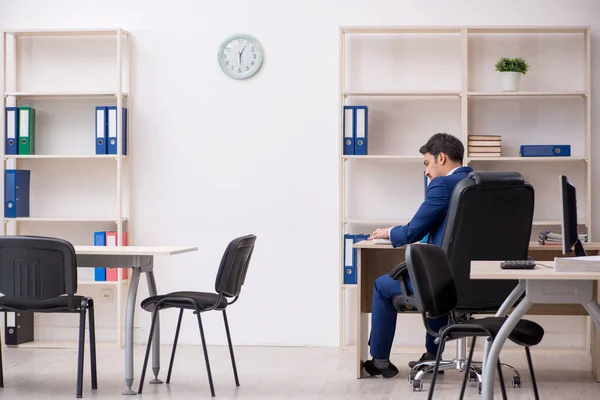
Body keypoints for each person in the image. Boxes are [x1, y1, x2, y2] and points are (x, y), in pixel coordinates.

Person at [363, 132, 472, 378]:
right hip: (479, 282)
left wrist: (388, 232)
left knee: (384, 285)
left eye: (427, 163)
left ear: (441, 158)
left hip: (445, 285)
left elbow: (414, 230)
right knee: (442, 273)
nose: (426, 172)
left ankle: (380, 361)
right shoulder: (482, 184)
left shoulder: (443, 185)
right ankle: (433, 357)